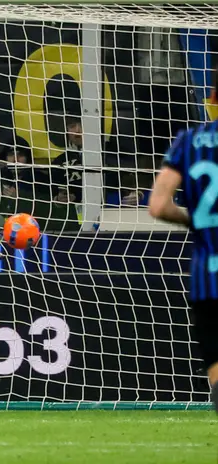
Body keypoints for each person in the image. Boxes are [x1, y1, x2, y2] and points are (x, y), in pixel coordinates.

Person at [148, 98, 218, 414]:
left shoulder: (188, 142)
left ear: (213, 98)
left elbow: (158, 205)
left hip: (208, 280)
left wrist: (194, 220)